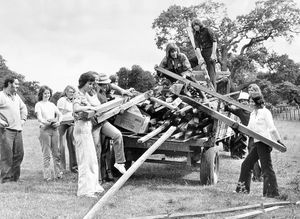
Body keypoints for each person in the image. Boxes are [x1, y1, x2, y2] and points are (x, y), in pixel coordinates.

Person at [235, 92, 285, 198]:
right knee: (246, 165)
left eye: (251, 102)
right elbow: (249, 129)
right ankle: (242, 190)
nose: (249, 103)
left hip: (265, 143)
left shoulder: (265, 112)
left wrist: (278, 140)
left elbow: (272, 128)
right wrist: (238, 127)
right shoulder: (253, 113)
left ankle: (272, 193)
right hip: (257, 143)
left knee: (267, 169)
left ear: (257, 102)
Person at [96, 73, 133, 182]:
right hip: (96, 123)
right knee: (99, 151)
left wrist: (122, 91)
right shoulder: (95, 93)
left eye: (106, 84)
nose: (105, 86)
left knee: (111, 143)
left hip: (105, 121)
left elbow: (112, 85)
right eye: (102, 84)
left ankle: (117, 165)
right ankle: (99, 178)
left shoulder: (104, 90)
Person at [73, 72, 104, 198]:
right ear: (83, 83)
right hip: (80, 128)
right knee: (85, 160)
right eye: (90, 84)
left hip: (87, 128)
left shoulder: (85, 95)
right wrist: (88, 108)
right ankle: (84, 191)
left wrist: (92, 107)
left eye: (92, 84)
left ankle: (93, 186)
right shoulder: (78, 94)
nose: (91, 86)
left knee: (91, 159)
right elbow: (76, 108)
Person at [0, 76, 28, 183]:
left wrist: (23, 119)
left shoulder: (16, 97)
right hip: (6, 131)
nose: (17, 86)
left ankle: (15, 178)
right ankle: (6, 179)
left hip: (18, 130)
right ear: (9, 84)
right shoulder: (1, 95)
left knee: (19, 155)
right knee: (7, 155)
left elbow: (23, 108)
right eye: (16, 84)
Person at [35, 86, 63, 181]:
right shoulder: (39, 104)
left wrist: (59, 122)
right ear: (41, 94)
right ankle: (47, 176)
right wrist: (45, 122)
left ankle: (58, 174)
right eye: (45, 93)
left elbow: (60, 114)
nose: (47, 95)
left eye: (48, 93)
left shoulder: (52, 104)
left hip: (54, 129)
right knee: (46, 154)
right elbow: (39, 117)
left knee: (56, 153)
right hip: (45, 129)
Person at [189, 18, 218, 87]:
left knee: (211, 73)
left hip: (210, 50)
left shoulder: (207, 30)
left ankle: (213, 91)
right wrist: (200, 57)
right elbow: (197, 47)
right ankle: (184, 73)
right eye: (193, 26)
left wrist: (213, 54)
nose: (195, 27)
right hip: (203, 52)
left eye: (196, 25)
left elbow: (214, 41)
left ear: (199, 24)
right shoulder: (196, 34)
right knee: (191, 61)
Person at [57, 85, 78, 173]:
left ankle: (74, 167)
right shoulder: (62, 100)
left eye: (73, 92)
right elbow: (60, 113)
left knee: (72, 144)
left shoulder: (74, 101)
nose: (72, 93)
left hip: (71, 123)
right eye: (70, 92)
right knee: (61, 145)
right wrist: (68, 115)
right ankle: (61, 168)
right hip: (63, 123)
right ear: (66, 92)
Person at [224, 92, 250, 159]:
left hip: (254, 129)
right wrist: (227, 104)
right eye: (241, 101)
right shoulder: (239, 111)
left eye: (245, 100)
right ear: (239, 102)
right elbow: (229, 109)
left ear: (248, 101)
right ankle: (237, 154)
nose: (243, 102)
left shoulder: (252, 110)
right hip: (245, 129)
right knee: (238, 135)